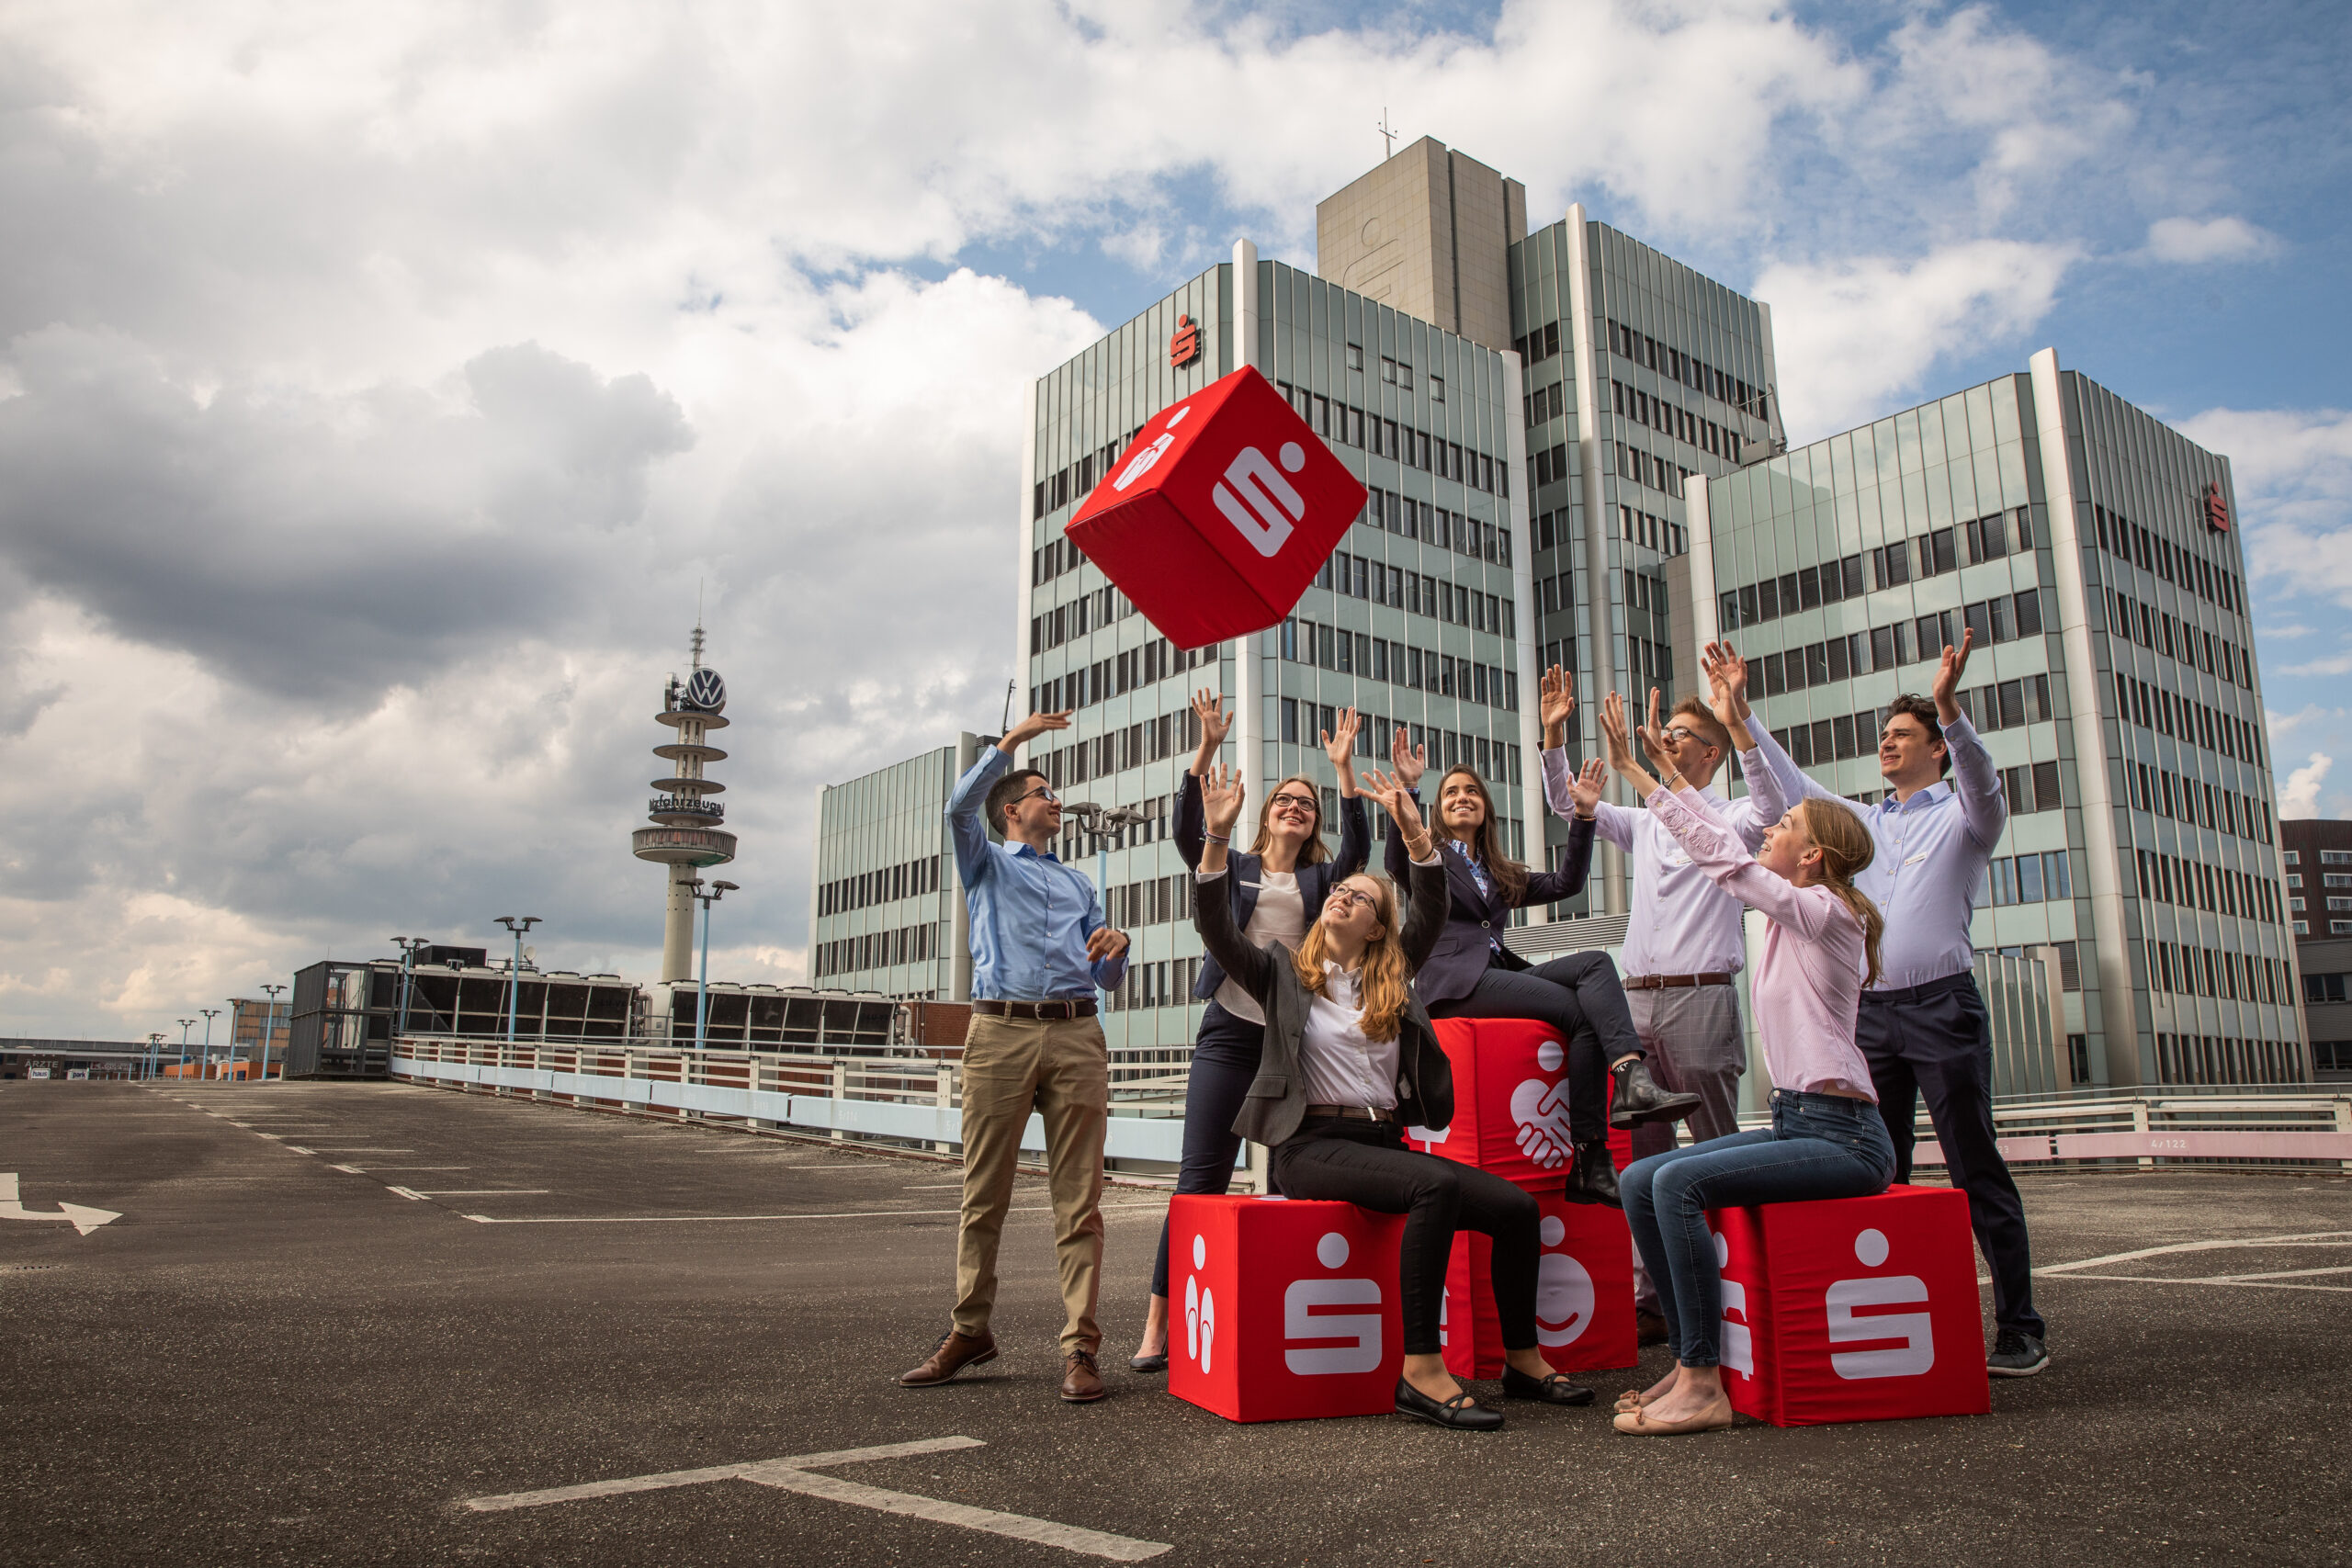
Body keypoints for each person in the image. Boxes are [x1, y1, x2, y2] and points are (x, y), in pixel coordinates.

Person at [1193, 761, 1597, 1430]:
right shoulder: (1280, 975)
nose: (1341, 897)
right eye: (1339, 890)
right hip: (1310, 1146)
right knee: (1433, 1188)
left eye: (1359, 898)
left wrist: (1415, 834)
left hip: (1383, 1141)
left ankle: (1523, 1361)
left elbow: (1432, 908)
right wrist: (1215, 836)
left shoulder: (1393, 977)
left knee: (1517, 1209)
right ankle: (1421, 1370)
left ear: (1378, 928)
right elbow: (1215, 924)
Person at [1742, 632, 2052, 1378]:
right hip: (1871, 1016)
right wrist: (1742, 716)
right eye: (1885, 733)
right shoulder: (1866, 824)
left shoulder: (1967, 816)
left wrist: (1949, 707)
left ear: (1937, 748)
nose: (1887, 742)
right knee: (1878, 1168)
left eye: (1904, 734)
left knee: (1975, 1163)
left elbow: (1983, 780)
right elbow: (1792, 783)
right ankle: (1894, 1322)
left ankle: (2020, 1326)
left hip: (1942, 1007)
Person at [1595, 689, 1896, 1436]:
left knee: (1678, 1184)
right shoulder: (1796, 914)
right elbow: (1714, 837)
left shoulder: (1827, 911)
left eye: (1785, 827)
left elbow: (1724, 856)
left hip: (1846, 1136)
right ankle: (1688, 1362)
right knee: (1639, 1178)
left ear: (1813, 857)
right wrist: (1655, 776)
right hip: (1800, 1121)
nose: (1770, 829)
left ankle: (1704, 1380)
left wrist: (1643, 776)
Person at [1539, 655, 1794, 1342]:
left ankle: (1743, 1292)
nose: (1667, 738)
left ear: (1710, 752)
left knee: (1717, 1150)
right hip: (1637, 1005)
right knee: (1644, 1160)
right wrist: (1554, 736)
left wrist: (1732, 726)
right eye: (1668, 731)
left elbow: (1773, 807)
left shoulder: (1733, 817)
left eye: (1680, 733)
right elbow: (1569, 804)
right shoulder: (1647, 819)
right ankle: (1653, 1300)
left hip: (1701, 998)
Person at [1130, 691, 1371, 1375]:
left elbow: (1359, 849)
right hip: (1230, 1033)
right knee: (1200, 1178)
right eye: (1284, 800)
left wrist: (1343, 771)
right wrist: (1206, 749)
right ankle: (1159, 1321)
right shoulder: (1233, 865)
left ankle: (1283, 1316)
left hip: (1294, 1042)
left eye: (1307, 804)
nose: (1295, 807)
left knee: (1302, 1178)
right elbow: (1189, 837)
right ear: (1264, 814)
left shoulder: (1324, 880)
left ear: (1314, 822)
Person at [899, 710, 1131, 1404]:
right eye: (1044, 793)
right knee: (984, 1192)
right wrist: (1011, 745)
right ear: (1011, 810)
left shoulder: (1079, 884)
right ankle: (970, 1329)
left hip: (1077, 1031)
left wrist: (1116, 948)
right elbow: (956, 808)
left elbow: (1105, 976)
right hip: (999, 1030)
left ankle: (1081, 1346)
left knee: (1080, 1200)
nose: (1056, 801)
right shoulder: (985, 862)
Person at [1385, 730, 1699, 1206]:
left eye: (1471, 791)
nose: (1462, 798)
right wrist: (1409, 790)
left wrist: (1585, 816)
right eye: (1450, 793)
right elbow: (1397, 862)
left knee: (1595, 966)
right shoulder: (1430, 857)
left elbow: (1567, 883)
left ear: (1486, 808)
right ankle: (1596, 1151)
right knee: (1578, 1011)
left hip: (1497, 974)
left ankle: (1622, 1095)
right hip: (1453, 984)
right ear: (1438, 809)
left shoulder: (1497, 870)